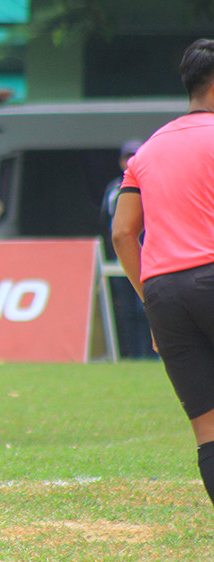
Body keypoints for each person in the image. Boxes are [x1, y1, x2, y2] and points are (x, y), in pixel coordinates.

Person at [112, 38, 214, 509]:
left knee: (208, 430)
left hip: (165, 294)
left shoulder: (148, 150)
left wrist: (151, 304)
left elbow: (122, 233)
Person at [99, 139, 155, 359]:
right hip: (119, 255)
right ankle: (132, 355)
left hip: (146, 254)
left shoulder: (151, 182)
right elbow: (107, 222)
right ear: (121, 161)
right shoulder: (113, 188)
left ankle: (150, 355)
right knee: (126, 310)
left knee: (146, 306)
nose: (130, 161)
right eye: (127, 157)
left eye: (135, 155)